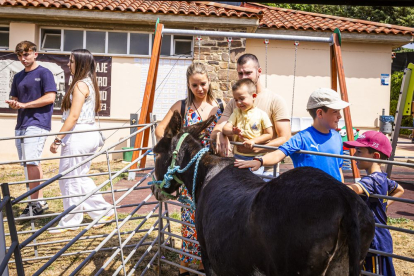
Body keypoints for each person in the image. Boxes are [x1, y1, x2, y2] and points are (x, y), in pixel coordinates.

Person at [155, 62, 224, 276]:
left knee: (212, 218)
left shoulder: (220, 107)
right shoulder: (182, 106)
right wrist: (175, 146)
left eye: (203, 84)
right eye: (195, 85)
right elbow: (160, 129)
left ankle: (206, 266)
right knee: (189, 220)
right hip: (189, 172)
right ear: (189, 84)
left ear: (209, 82)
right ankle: (187, 266)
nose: (200, 89)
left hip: (213, 170)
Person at [48, 49, 114, 234]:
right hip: (88, 133)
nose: (68, 64)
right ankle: (102, 211)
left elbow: (74, 116)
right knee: (79, 176)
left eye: (71, 61)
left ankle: (71, 220)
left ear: (81, 64)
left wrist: (57, 139)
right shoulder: (89, 83)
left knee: (68, 179)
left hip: (79, 134)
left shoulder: (79, 85)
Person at [235, 87, 348, 182]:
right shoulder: (302, 138)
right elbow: (278, 154)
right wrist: (259, 161)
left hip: (334, 198)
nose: (340, 116)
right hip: (311, 197)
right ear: (320, 113)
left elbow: (339, 170)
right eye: (335, 112)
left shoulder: (337, 137)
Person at [6, 41, 56, 217]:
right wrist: (14, 104)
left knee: (32, 161)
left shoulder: (45, 72)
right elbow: (15, 100)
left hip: (38, 122)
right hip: (21, 124)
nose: (23, 58)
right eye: (19, 55)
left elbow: (50, 97)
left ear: (35, 53)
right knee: (29, 163)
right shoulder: (18, 76)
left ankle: (34, 203)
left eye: (26, 54)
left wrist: (25, 104)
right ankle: (38, 201)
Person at [343, 131, 404, 276]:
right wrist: (384, 204)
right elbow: (399, 190)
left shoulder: (372, 180)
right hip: (378, 239)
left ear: (375, 156)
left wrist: (326, 186)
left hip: (376, 241)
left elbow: (354, 189)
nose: (355, 155)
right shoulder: (382, 178)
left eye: (359, 151)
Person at [212, 53, 291, 158]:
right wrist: (220, 134)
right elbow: (217, 129)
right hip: (238, 163)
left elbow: (285, 138)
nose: (244, 77)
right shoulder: (234, 102)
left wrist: (258, 147)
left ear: (259, 71)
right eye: (240, 73)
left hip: (265, 168)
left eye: (248, 73)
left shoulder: (275, 100)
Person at [222, 79, 273, 175]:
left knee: (253, 183)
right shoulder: (236, 112)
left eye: (242, 98)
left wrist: (254, 141)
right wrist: (233, 132)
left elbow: (269, 134)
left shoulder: (261, 114)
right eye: (236, 100)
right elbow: (225, 129)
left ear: (253, 96)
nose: (239, 102)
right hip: (238, 157)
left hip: (255, 158)